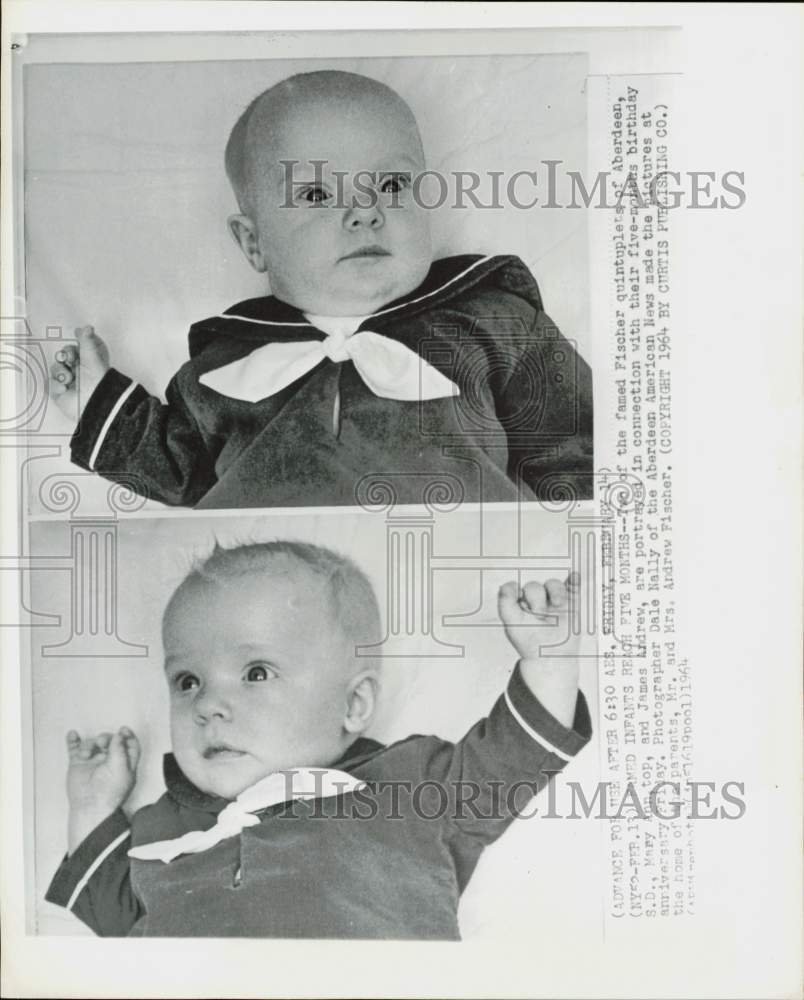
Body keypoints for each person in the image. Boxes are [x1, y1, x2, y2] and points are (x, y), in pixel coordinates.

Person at [48, 70, 593, 509]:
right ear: (254, 242)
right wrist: (100, 404)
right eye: (314, 195)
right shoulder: (224, 367)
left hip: (458, 568)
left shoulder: (496, 324)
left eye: (392, 184)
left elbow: (577, 449)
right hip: (272, 582)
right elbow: (180, 471)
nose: (364, 213)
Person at [46, 540, 591, 939]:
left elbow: (504, 769)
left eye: (257, 672)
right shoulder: (166, 822)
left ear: (353, 705)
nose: (207, 705)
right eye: (187, 681)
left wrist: (548, 661)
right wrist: (92, 805)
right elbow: (112, 914)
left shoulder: (403, 786)